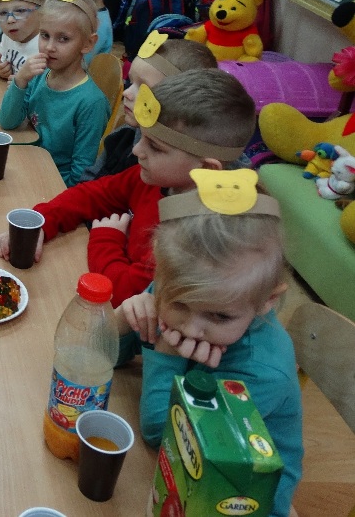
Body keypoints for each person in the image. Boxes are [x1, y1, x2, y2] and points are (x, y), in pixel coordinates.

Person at [116, 170, 301, 517]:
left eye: (219, 317)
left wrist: (167, 351)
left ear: (267, 301)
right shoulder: (185, 288)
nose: (192, 328)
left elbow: (164, 435)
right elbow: (107, 357)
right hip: (186, 475)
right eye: (179, 305)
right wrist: (124, 318)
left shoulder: (262, 371)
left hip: (244, 496)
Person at [0, 68, 257, 306]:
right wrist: (43, 221)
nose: (136, 150)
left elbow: (122, 294)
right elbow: (92, 194)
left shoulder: (195, 235)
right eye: (142, 137)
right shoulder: (156, 179)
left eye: (155, 147)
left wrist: (107, 238)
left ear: (207, 170)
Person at [0, 0, 110, 186]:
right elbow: (7, 121)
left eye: (63, 39)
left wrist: (44, 184)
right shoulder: (41, 74)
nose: (49, 47)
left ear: (88, 44)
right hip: (26, 164)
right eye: (44, 35)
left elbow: (80, 177)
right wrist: (20, 80)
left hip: (53, 184)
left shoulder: (92, 103)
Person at [78, 31, 217, 182]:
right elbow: (89, 179)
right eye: (131, 82)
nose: (126, 93)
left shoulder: (175, 167)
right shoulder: (122, 136)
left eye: (144, 88)